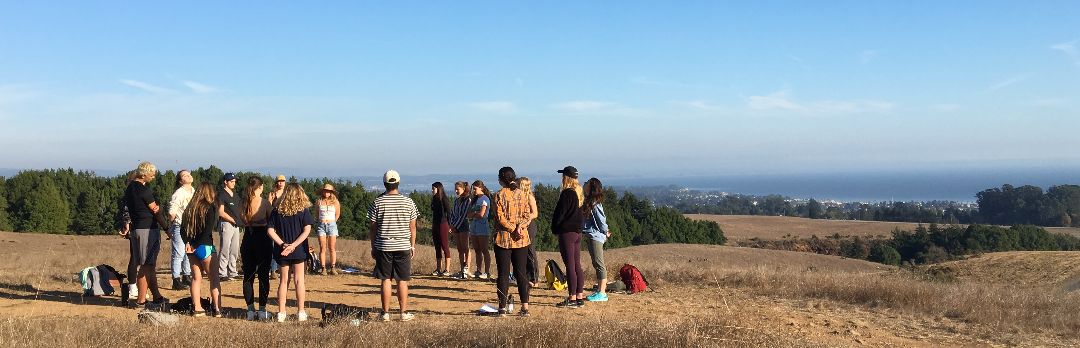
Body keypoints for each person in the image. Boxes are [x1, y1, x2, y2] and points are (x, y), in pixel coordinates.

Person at [368, 170, 419, 322]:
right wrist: (412, 245)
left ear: (385, 184)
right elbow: (413, 227)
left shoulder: (377, 202)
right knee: (402, 280)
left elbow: (373, 227)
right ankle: (403, 313)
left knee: (386, 280)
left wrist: (373, 246)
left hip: (384, 245)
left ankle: (385, 313)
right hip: (403, 245)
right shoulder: (408, 202)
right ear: (398, 183)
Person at [267, 183, 314, 322]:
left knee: (283, 281)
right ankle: (301, 312)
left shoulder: (276, 211)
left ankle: (281, 313)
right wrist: (294, 245)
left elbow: (269, 230)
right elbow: (307, 230)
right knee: (299, 281)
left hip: (282, 251)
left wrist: (282, 244)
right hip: (299, 250)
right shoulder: (303, 210)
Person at [124, 161, 167, 307]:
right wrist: (167, 228)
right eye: (152, 173)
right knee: (146, 266)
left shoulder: (130, 189)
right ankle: (141, 301)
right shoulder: (145, 191)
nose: (154, 176)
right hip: (148, 230)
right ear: (144, 174)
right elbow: (156, 212)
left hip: (136, 229)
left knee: (149, 265)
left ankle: (157, 296)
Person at [492, 167, 532, 317]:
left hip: (503, 238)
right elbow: (528, 215)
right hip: (521, 239)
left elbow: (499, 217)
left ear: (502, 179)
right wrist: (520, 227)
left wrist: (512, 228)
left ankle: (502, 308)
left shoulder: (499, 195)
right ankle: (525, 307)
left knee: (503, 274)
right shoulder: (522, 194)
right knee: (521, 273)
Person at [180, 182, 223, 317]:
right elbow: (207, 230)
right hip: (204, 246)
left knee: (196, 279)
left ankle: (197, 308)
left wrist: (188, 243)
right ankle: (217, 309)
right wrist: (196, 244)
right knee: (214, 279)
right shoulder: (209, 208)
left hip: (191, 249)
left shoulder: (189, 209)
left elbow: (182, 230)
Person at [551, 166, 585, 308]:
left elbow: (560, 214)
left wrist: (555, 228)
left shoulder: (567, 194)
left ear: (566, 178)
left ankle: (571, 298)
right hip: (577, 232)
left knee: (569, 265)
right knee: (577, 265)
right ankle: (579, 296)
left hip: (567, 233)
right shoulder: (579, 193)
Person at [242, 176, 274, 321]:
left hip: (248, 237)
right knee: (263, 276)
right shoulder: (265, 203)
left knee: (248, 276)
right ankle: (262, 310)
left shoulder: (244, 202)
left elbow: (242, 220)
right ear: (260, 187)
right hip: (263, 238)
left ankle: (250, 310)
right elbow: (272, 221)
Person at [582, 177, 612, 302]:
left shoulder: (595, 203)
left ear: (591, 188)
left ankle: (602, 293)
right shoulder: (590, 202)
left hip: (596, 236)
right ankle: (600, 290)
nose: (584, 185)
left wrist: (606, 231)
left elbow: (601, 220)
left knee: (599, 264)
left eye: (587, 184)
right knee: (596, 263)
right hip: (592, 235)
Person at [167, 169, 194, 290]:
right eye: (185, 175)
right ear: (180, 180)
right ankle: (176, 279)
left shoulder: (193, 191)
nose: (188, 176)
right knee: (178, 252)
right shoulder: (179, 193)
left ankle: (186, 276)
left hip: (191, 226)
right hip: (180, 225)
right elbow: (171, 212)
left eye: (189, 174)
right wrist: (172, 223)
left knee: (188, 251)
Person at [217, 173, 244, 281]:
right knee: (225, 248)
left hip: (236, 225)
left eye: (234, 181)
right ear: (225, 182)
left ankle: (233, 271)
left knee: (234, 248)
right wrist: (232, 220)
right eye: (231, 181)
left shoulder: (235, 195)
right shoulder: (222, 195)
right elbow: (221, 212)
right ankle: (222, 272)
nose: (234, 183)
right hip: (226, 224)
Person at [467, 180, 492, 279]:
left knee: (484, 249)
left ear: (481, 188)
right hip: (474, 226)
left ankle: (487, 272)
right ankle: (478, 270)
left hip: (482, 227)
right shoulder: (474, 200)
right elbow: (469, 214)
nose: (474, 191)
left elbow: (482, 214)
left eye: (475, 188)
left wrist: (473, 214)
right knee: (477, 249)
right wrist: (474, 215)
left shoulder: (484, 199)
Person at [518, 177, 540, 286]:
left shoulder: (530, 197)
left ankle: (534, 278)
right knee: (523, 252)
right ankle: (526, 276)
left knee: (530, 252)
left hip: (529, 226)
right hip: (521, 226)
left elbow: (535, 213)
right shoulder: (518, 197)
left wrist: (525, 219)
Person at [448, 181, 473, 279]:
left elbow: (464, 215)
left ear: (463, 189)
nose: (456, 191)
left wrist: (454, 226)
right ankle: (462, 269)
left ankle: (467, 268)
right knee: (460, 249)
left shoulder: (468, 200)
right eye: (455, 189)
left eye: (457, 189)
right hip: (456, 226)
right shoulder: (456, 200)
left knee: (465, 247)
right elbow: (453, 213)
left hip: (464, 225)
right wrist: (451, 225)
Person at [315, 183, 341, 275]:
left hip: (331, 225)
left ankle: (333, 267)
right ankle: (323, 268)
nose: (327, 192)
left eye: (329, 191)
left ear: (331, 192)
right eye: (325, 190)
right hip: (321, 225)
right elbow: (317, 214)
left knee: (332, 247)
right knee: (322, 248)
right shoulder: (319, 201)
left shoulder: (336, 202)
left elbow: (337, 214)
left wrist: (333, 222)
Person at [430, 182, 452, 276]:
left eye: (433, 189)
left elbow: (449, 213)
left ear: (438, 189)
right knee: (437, 246)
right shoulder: (434, 199)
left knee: (445, 246)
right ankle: (438, 268)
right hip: (435, 224)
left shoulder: (444, 199)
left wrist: (450, 225)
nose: (432, 190)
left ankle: (447, 269)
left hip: (443, 224)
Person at [267, 174, 286, 279]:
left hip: (284, 221)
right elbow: (268, 206)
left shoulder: (287, 193)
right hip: (274, 221)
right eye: (279, 181)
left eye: (282, 181)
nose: (280, 183)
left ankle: (281, 267)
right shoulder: (272, 193)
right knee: (274, 246)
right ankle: (273, 270)